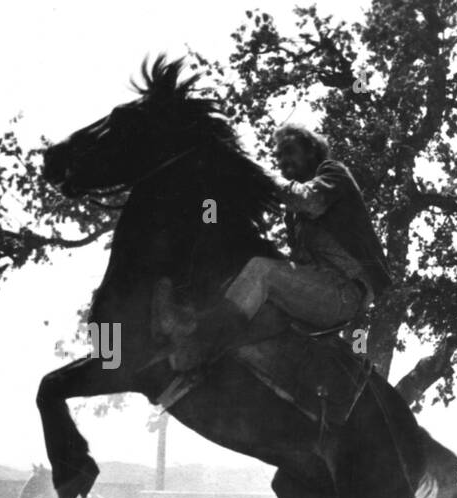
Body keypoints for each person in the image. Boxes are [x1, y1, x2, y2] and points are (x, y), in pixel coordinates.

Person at [158, 122, 392, 372]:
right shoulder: (293, 219)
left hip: (343, 292)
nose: (283, 162)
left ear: (311, 151)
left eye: (289, 151)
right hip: (320, 287)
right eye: (278, 157)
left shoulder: (333, 172)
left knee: (262, 271)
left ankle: (196, 344)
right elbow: (297, 266)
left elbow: (308, 201)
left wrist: (258, 172)